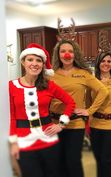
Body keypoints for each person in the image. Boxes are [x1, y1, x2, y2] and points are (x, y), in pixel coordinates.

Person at [9, 43, 75, 177]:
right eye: (30, 59)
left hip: (49, 140)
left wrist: (61, 124)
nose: (34, 63)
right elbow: (12, 116)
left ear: (43, 65)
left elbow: (70, 102)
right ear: (23, 62)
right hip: (24, 142)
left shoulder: (49, 86)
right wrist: (13, 142)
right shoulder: (11, 86)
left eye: (39, 60)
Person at [49, 39, 109, 177]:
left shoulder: (84, 73)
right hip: (54, 123)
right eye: (63, 51)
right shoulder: (51, 74)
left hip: (75, 123)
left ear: (75, 54)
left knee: (73, 161)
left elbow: (103, 91)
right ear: (58, 54)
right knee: (58, 162)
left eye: (70, 51)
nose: (67, 54)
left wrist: (89, 110)